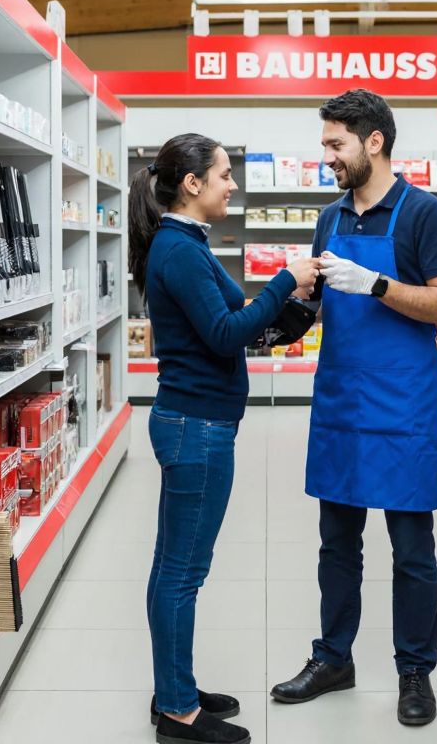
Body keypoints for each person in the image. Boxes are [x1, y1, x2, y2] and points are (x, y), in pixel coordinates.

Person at [270, 89, 437, 727]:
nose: (327, 156)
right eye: (326, 144)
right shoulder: (329, 219)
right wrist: (282, 319)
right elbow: (323, 302)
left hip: (403, 405)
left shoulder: (423, 214)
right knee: (336, 543)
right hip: (343, 402)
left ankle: (415, 672)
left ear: (373, 142)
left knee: (411, 548)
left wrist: (375, 284)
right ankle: (334, 658)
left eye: (335, 144)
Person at [132, 133, 321, 744]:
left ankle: (174, 688)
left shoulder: (186, 243)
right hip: (197, 428)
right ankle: (178, 714)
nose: (231, 184)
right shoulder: (180, 250)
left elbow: (239, 320)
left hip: (194, 422)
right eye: (223, 174)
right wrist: (282, 280)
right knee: (183, 571)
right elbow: (221, 332)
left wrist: (295, 306)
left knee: (176, 566)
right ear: (192, 183)